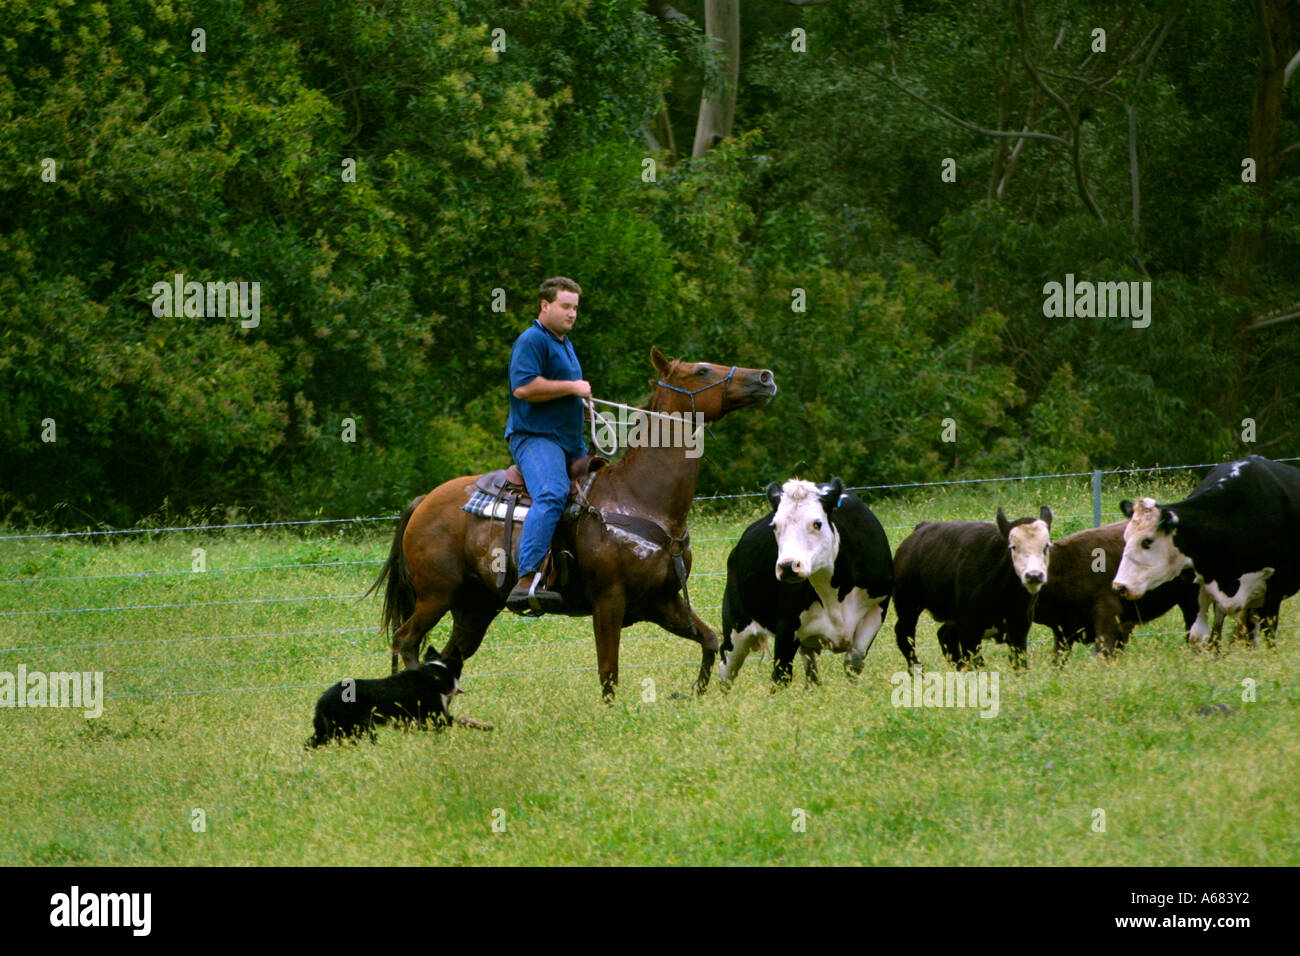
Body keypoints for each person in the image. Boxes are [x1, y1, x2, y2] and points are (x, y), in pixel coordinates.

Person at [504, 277, 592, 614]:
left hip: (570, 441)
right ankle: (526, 580)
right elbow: (524, 388)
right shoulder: (531, 340)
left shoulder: (564, 343)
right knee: (553, 493)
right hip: (535, 438)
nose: (572, 314)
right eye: (565, 306)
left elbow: (564, 392)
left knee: (600, 490)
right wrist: (572, 388)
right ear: (545, 305)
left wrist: (581, 405)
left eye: (575, 308)